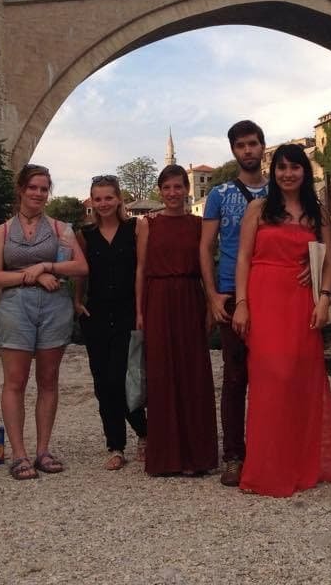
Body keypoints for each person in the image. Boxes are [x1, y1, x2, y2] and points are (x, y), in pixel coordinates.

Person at [232, 144, 331, 497]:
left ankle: (298, 465)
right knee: (270, 379)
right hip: (263, 297)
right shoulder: (258, 209)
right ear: (273, 172)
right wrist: (241, 303)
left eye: (294, 167)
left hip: (301, 301)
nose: (287, 174)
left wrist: (324, 298)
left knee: (299, 380)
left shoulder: (317, 212)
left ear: (304, 171)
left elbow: (329, 262)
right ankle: (264, 469)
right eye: (281, 168)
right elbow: (243, 258)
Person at [0, 164, 88, 480]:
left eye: (44, 189)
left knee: (48, 380)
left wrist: (46, 267)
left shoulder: (60, 229)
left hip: (54, 307)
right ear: (21, 189)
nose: (39, 194)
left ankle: (43, 450)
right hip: (16, 306)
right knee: (15, 381)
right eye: (33, 187)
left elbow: (81, 267)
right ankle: (19, 454)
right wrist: (31, 276)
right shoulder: (2, 232)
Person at [137, 165, 218, 475]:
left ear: (186, 189)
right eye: (167, 187)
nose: (173, 193)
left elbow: (207, 265)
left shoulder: (198, 224)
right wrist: (139, 310)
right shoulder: (147, 224)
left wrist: (210, 304)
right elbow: (141, 269)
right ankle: (166, 458)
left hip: (189, 297)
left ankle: (197, 456)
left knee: (193, 374)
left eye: (178, 187)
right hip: (158, 299)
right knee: (162, 374)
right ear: (160, 191)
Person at [200, 120, 268, 486]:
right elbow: (205, 246)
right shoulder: (219, 193)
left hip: (272, 292)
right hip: (229, 292)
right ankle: (234, 456)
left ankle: (266, 449)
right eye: (241, 145)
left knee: (271, 373)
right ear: (233, 150)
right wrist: (211, 294)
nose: (247, 150)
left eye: (252, 144)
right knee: (235, 376)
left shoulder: (281, 188)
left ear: (262, 146)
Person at [75, 174, 147, 471]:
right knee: (102, 383)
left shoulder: (136, 228)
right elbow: (81, 272)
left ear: (119, 199)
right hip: (96, 314)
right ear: (92, 201)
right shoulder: (85, 234)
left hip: (127, 310)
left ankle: (144, 431)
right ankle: (115, 445)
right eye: (98, 198)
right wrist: (77, 301)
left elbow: (141, 269)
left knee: (121, 378)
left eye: (108, 197)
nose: (103, 203)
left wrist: (141, 311)